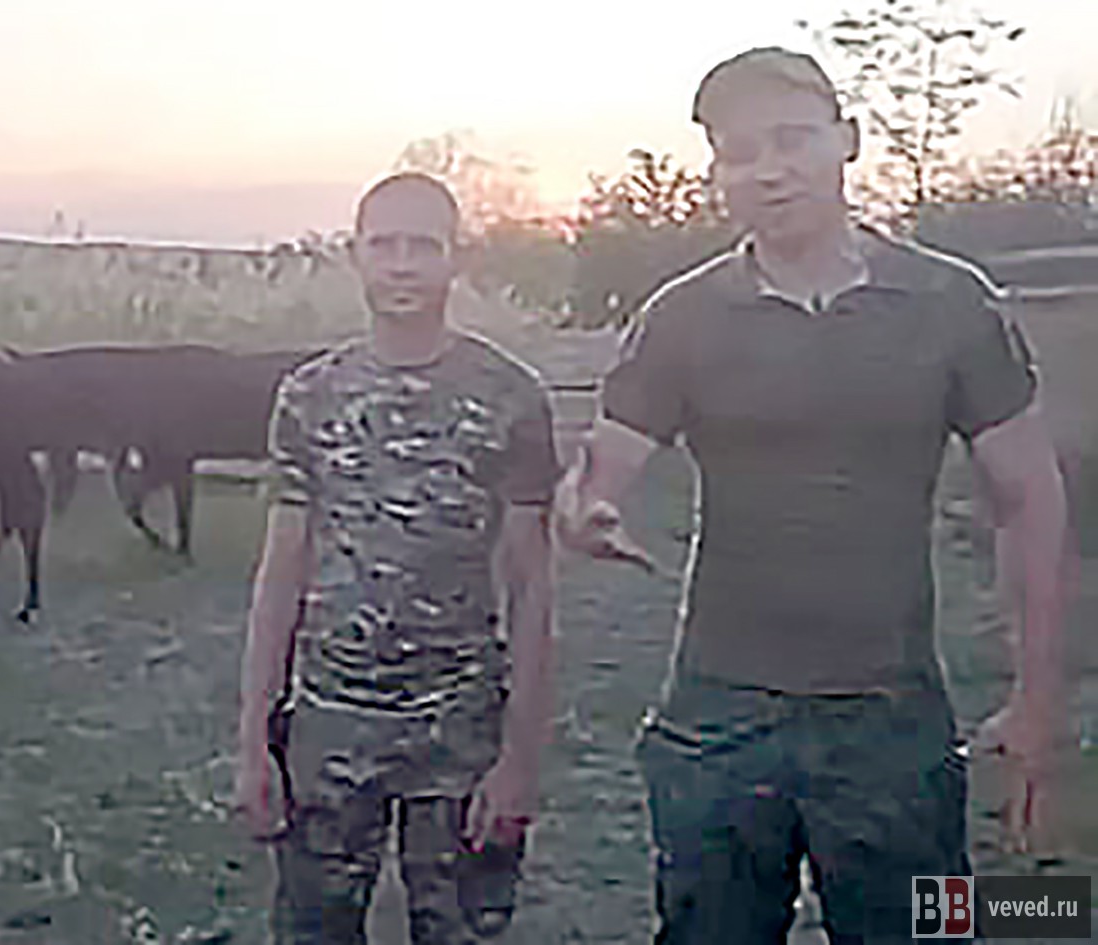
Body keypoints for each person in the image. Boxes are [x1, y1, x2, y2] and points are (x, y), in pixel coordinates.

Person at [555, 47, 1070, 943]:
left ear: (848, 140)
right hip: (716, 720)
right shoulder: (681, 317)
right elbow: (605, 462)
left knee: (929, 928)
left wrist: (1035, 697)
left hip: (890, 720)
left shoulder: (952, 305)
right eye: (739, 152)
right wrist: (585, 508)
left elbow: (1029, 497)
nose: (768, 170)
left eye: (792, 139)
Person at [235, 171, 560, 943]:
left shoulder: (510, 397)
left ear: (456, 258)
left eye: (424, 245)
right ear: (357, 255)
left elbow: (532, 587)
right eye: (385, 245)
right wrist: (253, 742)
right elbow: (281, 574)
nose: (404, 264)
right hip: (330, 728)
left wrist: (519, 759)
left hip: (460, 732)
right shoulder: (310, 397)